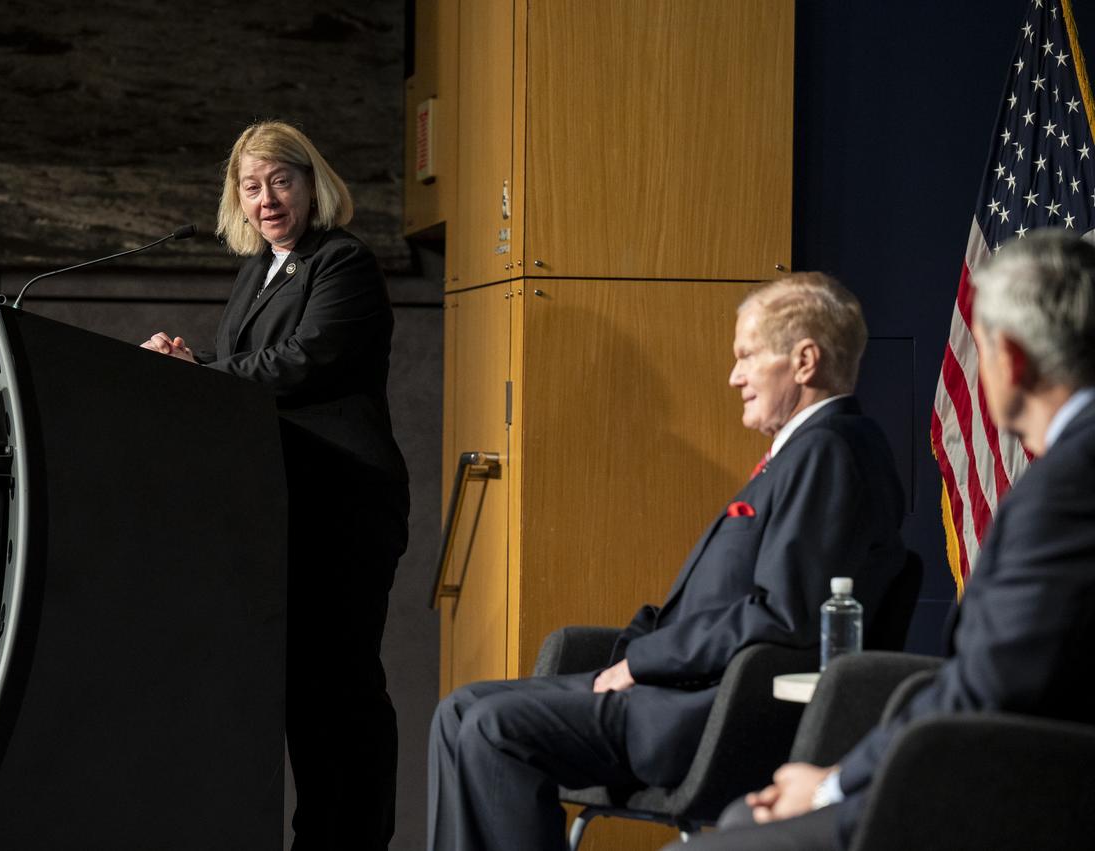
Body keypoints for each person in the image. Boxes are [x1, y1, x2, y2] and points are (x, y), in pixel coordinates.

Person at [427, 273, 907, 851]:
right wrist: (630, 650)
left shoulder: (831, 451)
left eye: (747, 357)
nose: (733, 377)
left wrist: (640, 663)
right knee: (458, 710)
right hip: (673, 685)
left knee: (493, 728)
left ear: (804, 361)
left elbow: (782, 616)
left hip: (706, 711)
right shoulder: (808, 451)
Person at [678, 230, 1095, 851]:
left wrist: (831, 784)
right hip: (1015, 768)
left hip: (1018, 792)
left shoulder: (1065, 490)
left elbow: (989, 687)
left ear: (1009, 357)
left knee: (732, 837)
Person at [141, 120, 409, 850]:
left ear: (311, 182)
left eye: (280, 181)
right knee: (304, 696)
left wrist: (202, 374)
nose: (266, 200)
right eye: (251, 187)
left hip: (344, 508)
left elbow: (304, 360)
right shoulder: (260, 269)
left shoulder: (342, 262)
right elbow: (250, 369)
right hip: (286, 509)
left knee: (342, 692)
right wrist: (188, 364)